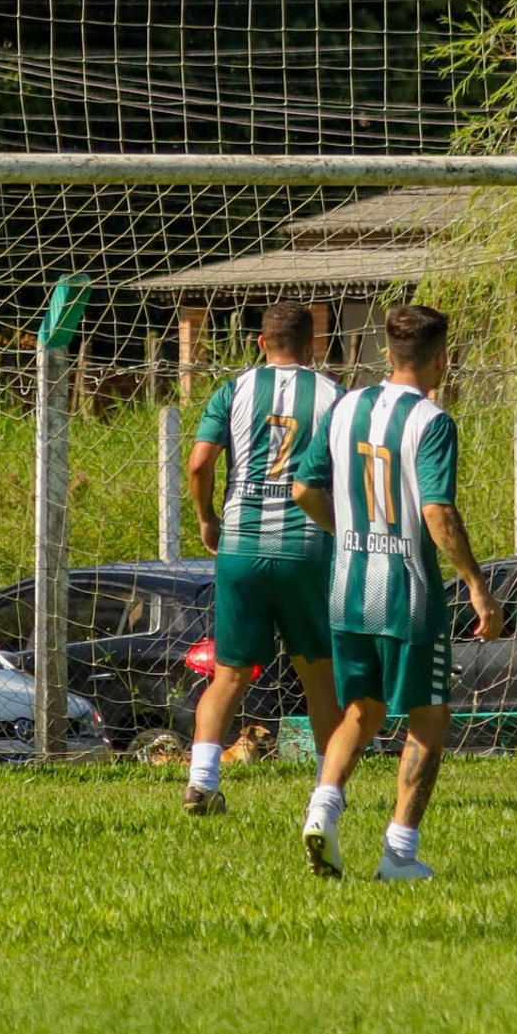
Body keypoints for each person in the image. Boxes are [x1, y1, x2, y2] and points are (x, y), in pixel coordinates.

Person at [290, 303, 503, 882]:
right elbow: (436, 511)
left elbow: (304, 488)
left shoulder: (343, 406)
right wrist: (477, 585)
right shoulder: (432, 421)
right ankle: (398, 855)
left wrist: (348, 532)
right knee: (428, 717)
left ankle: (322, 810)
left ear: (387, 353)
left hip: (347, 588)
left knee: (361, 710)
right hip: (409, 593)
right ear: (442, 359)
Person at [182, 298, 343, 816]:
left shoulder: (233, 390)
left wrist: (207, 517)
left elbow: (199, 462)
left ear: (260, 343)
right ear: (313, 345)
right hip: (305, 548)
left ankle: (202, 782)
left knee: (229, 672)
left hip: (241, 546)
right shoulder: (333, 396)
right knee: (319, 675)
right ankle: (326, 790)